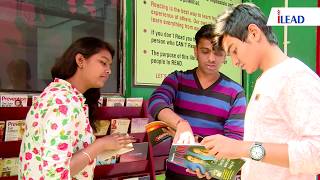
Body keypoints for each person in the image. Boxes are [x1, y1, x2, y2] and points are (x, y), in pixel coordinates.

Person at [200, 3, 320, 180]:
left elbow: (316, 152)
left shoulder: (295, 77)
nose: (234, 61)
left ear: (254, 33)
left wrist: (242, 148)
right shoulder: (265, 79)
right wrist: (220, 162)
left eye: (234, 50)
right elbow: (263, 151)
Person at [19, 37, 135, 180]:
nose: (109, 71)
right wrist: (100, 145)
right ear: (80, 60)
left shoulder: (70, 98)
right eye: (103, 62)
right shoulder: (61, 101)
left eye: (109, 65)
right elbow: (56, 173)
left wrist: (107, 145)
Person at [148, 24, 246, 180]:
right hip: (176, 174)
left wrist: (205, 160)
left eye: (218, 53)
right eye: (205, 51)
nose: (212, 58)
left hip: (212, 173)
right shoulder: (178, 79)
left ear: (225, 55)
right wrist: (181, 124)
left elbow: (234, 140)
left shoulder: (235, 92)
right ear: (196, 51)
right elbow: (156, 102)